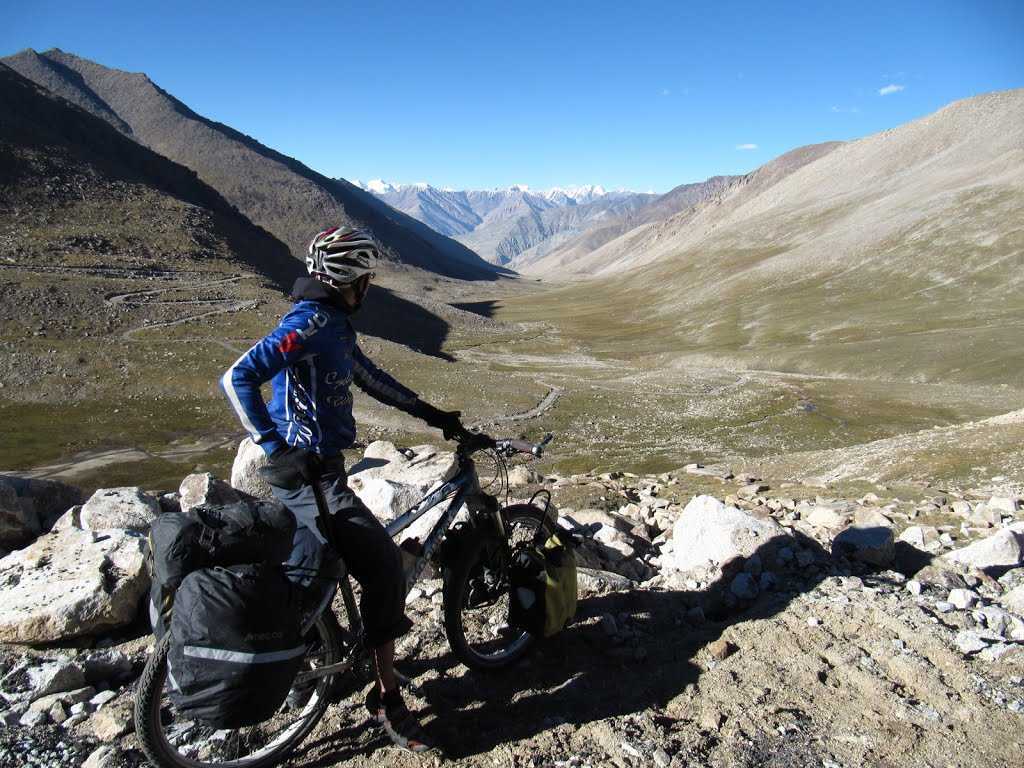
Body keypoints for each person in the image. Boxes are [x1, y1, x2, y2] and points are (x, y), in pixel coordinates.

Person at [219, 225, 465, 753]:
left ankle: (303, 662)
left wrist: (432, 415)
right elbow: (238, 377)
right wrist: (272, 445)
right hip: (308, 474)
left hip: (320, 468)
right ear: (347, 280)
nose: (368, 288)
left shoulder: (331, 325)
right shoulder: (306, 325)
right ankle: (387, 698)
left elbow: (370, 379)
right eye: (365, 279)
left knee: (313, 576)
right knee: (380, 568)